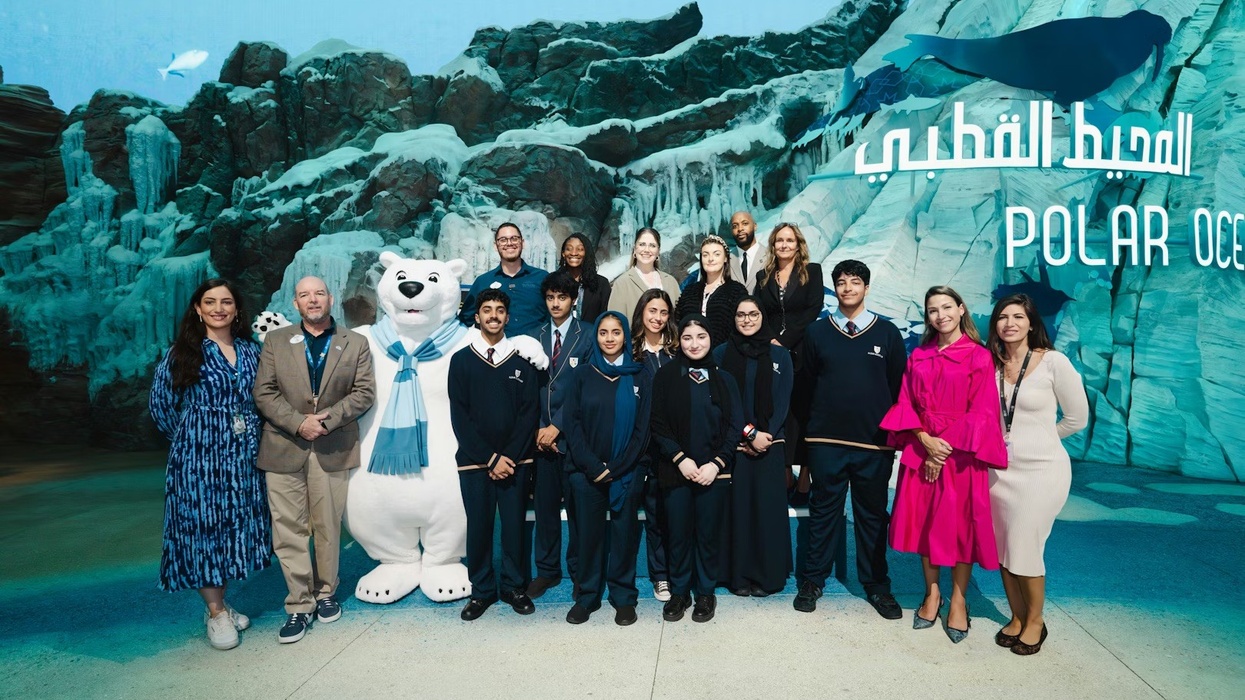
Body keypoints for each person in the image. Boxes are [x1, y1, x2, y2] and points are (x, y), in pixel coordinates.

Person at [149, 278, 271, 651]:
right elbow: (160, 408)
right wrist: (194, 439)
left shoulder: (252, 352)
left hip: (243, 461)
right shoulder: (182, 353)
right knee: (202, 530)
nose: (219, 308)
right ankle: (216, 612)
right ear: (198, 309)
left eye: (227, 302)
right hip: (197, 461)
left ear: (236, 310)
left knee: (231, 531)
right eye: (210, 302)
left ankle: (223, 604)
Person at [880, 285, 1006, 643]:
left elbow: (982, 411)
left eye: (947, 307)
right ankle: (932, 593)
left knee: (960, 527)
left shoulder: (979, 356)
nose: (941, 316)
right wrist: (924, 441)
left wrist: (943, 449)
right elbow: (906, 403)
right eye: (933, 310)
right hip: (923, 447)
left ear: (961, 309)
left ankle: (960, 600)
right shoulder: (918, 355)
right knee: (924, 524)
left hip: (962, 453)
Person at [253, 276, 376, 644]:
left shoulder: (355, 343)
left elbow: (364, 392)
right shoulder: (276, 340)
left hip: (332, 444)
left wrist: (326, 419)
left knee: (327, 526)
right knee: (288, 529)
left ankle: (326, 594)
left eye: (319, 293)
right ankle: (298, 604)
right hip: (283, 445)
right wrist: (298, 423)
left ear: (330, 298)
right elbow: (264, 391)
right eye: (305, 295)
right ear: (296, 302)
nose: (313, 300)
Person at [791, 260, 906, 619]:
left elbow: (897, 386)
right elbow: (806, 386)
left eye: (854, 282)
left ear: (866, 288)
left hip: (874, 444)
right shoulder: (817, 332)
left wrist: (891, 439)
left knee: (871, 516)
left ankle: (876, 586)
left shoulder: (887, 333)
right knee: (824, 513)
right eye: (840, 283)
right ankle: (812, 581)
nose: (847, 288)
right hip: (826, 441)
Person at [986, 294, 1088, 656]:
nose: (1009, 323)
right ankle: (1016, 616)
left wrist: (1042, 438)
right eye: (1003, 317)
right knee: (1005, 546)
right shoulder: (992, 366)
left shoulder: (1053, 362)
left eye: (1018, 316)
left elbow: (1077, 418)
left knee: (1026, 544)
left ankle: (1035, 622)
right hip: (999, 473)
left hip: (1042, 470)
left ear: (1032, 323)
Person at [450, 290, 541, 620]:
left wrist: (510, 457)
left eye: (499, 310)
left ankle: (514, 587)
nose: (493, 315)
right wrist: (490, 458)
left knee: (515, 527)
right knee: (479, 527)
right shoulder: (460, 361)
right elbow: (460, 417)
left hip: (516, 461)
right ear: (477, 316)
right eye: (486, 310)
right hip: (476, 462)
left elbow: (529, 413)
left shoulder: (522, 361)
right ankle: (482, 591)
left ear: (507, 317)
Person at [562, 311, 653, 625]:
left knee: (624, 537)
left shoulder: (640, 375)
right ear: (596, 336)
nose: (610, 338)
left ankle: (623, 597)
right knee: (588, 536)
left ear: (626, 336)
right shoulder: (582, 375)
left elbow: (643, 430)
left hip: (627, 472)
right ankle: (587, 597)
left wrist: (616, 467)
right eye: (603, 332)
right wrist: (593, 467)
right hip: (587, 472)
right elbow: (571, 425)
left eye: (616, 332)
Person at [651, 315, 742, 623]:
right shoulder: (665, 376)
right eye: (688, 337)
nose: (694, 343)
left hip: (713, 474)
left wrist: (716, 464)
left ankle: (705, 592)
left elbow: (734, 426)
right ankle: (680, 593)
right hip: (676, 471)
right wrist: (680, 458)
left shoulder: (725, 379)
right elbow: (658, 424)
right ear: (680, 341)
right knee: (677, 535)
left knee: (707, 536)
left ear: (710, 339)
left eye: (701, 337)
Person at [713, 297, 793, 596]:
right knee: (739, 513)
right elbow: (721, 400)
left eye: (753, 314)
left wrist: (765, 436)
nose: (747, 320)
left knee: (766, 513)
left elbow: (783, 401)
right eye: (741, 315)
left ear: (762, 317)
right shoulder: (721, 354)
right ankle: (740, 577)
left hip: (770, 446)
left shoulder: (779, 355)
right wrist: (748, 433)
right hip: (734, 447)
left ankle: (766, 577)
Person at [528, 271, 594, 599]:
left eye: (562, 298)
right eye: (551, 297)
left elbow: (590, 389)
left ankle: (580, 573)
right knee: (546, 511)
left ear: (574, 299)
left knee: (579, 513)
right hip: (541, 441)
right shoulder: (532, 336)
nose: (556, 303)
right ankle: (547, 572)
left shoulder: (589, 335)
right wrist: (539, 428)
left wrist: (560, 426)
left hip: (573, 440)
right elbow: (527, 389)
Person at [754, 222, 824, 499]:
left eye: (789, 240)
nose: (784, 245)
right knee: (778, 412)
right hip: (772, 354)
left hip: (804, 351)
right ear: (773, 245)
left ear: (798, 244)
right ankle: (784, 471)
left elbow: (813, 308)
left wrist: (784, 340)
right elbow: (759, 311)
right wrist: (772, 341)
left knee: (804, 411)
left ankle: (805, 474)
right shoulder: (763, 276)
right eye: (779, 240)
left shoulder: (812, 271)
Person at [630, 288, 679, 602]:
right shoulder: (630, 351)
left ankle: (680, 572)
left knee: (675, 513)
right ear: (642, 313)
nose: (658, 318)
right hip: (641, 447)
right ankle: (660, 576)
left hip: (675, 447)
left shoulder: (677, 351)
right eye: (652, 311)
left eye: (663, 312)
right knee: (653, 514)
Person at [459, 222, 549, 338]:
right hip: (496, 353)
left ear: (523, 243)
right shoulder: (483, 282)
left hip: (536, 351)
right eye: (503, 240)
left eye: (514, 238)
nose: (509, 243)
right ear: (495, 246)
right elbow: (464, 321)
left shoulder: (542, 278)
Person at [675, 235, 748, 348]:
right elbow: (677, 322)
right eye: (705, 255)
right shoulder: (689, 291)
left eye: (716, 254)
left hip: (723, 358)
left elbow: (743, 328)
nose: (710, 259)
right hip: (690, 357)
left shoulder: (737, 291)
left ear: (725, 258)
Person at [607, 227, 681, 318]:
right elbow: (614, 323)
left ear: (658, 251)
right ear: (634, 249)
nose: (646, 250)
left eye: (652, 245)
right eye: (642, 244)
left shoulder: (671, 282)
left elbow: (679, 319)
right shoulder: (622, 283)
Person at [557, 233, 610, 322]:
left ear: (586, 253)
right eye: (569, 249)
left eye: (580, 249)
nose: (574, 253)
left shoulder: (601, 284)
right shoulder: (553, 281)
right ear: (563, 253)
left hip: (590, 335)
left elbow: (606, 317)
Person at [727, 211, 770, 294]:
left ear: (755, 226)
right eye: (735, 226)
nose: (740, 229)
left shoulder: (770, 256)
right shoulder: (726, 259)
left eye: (745, 223)